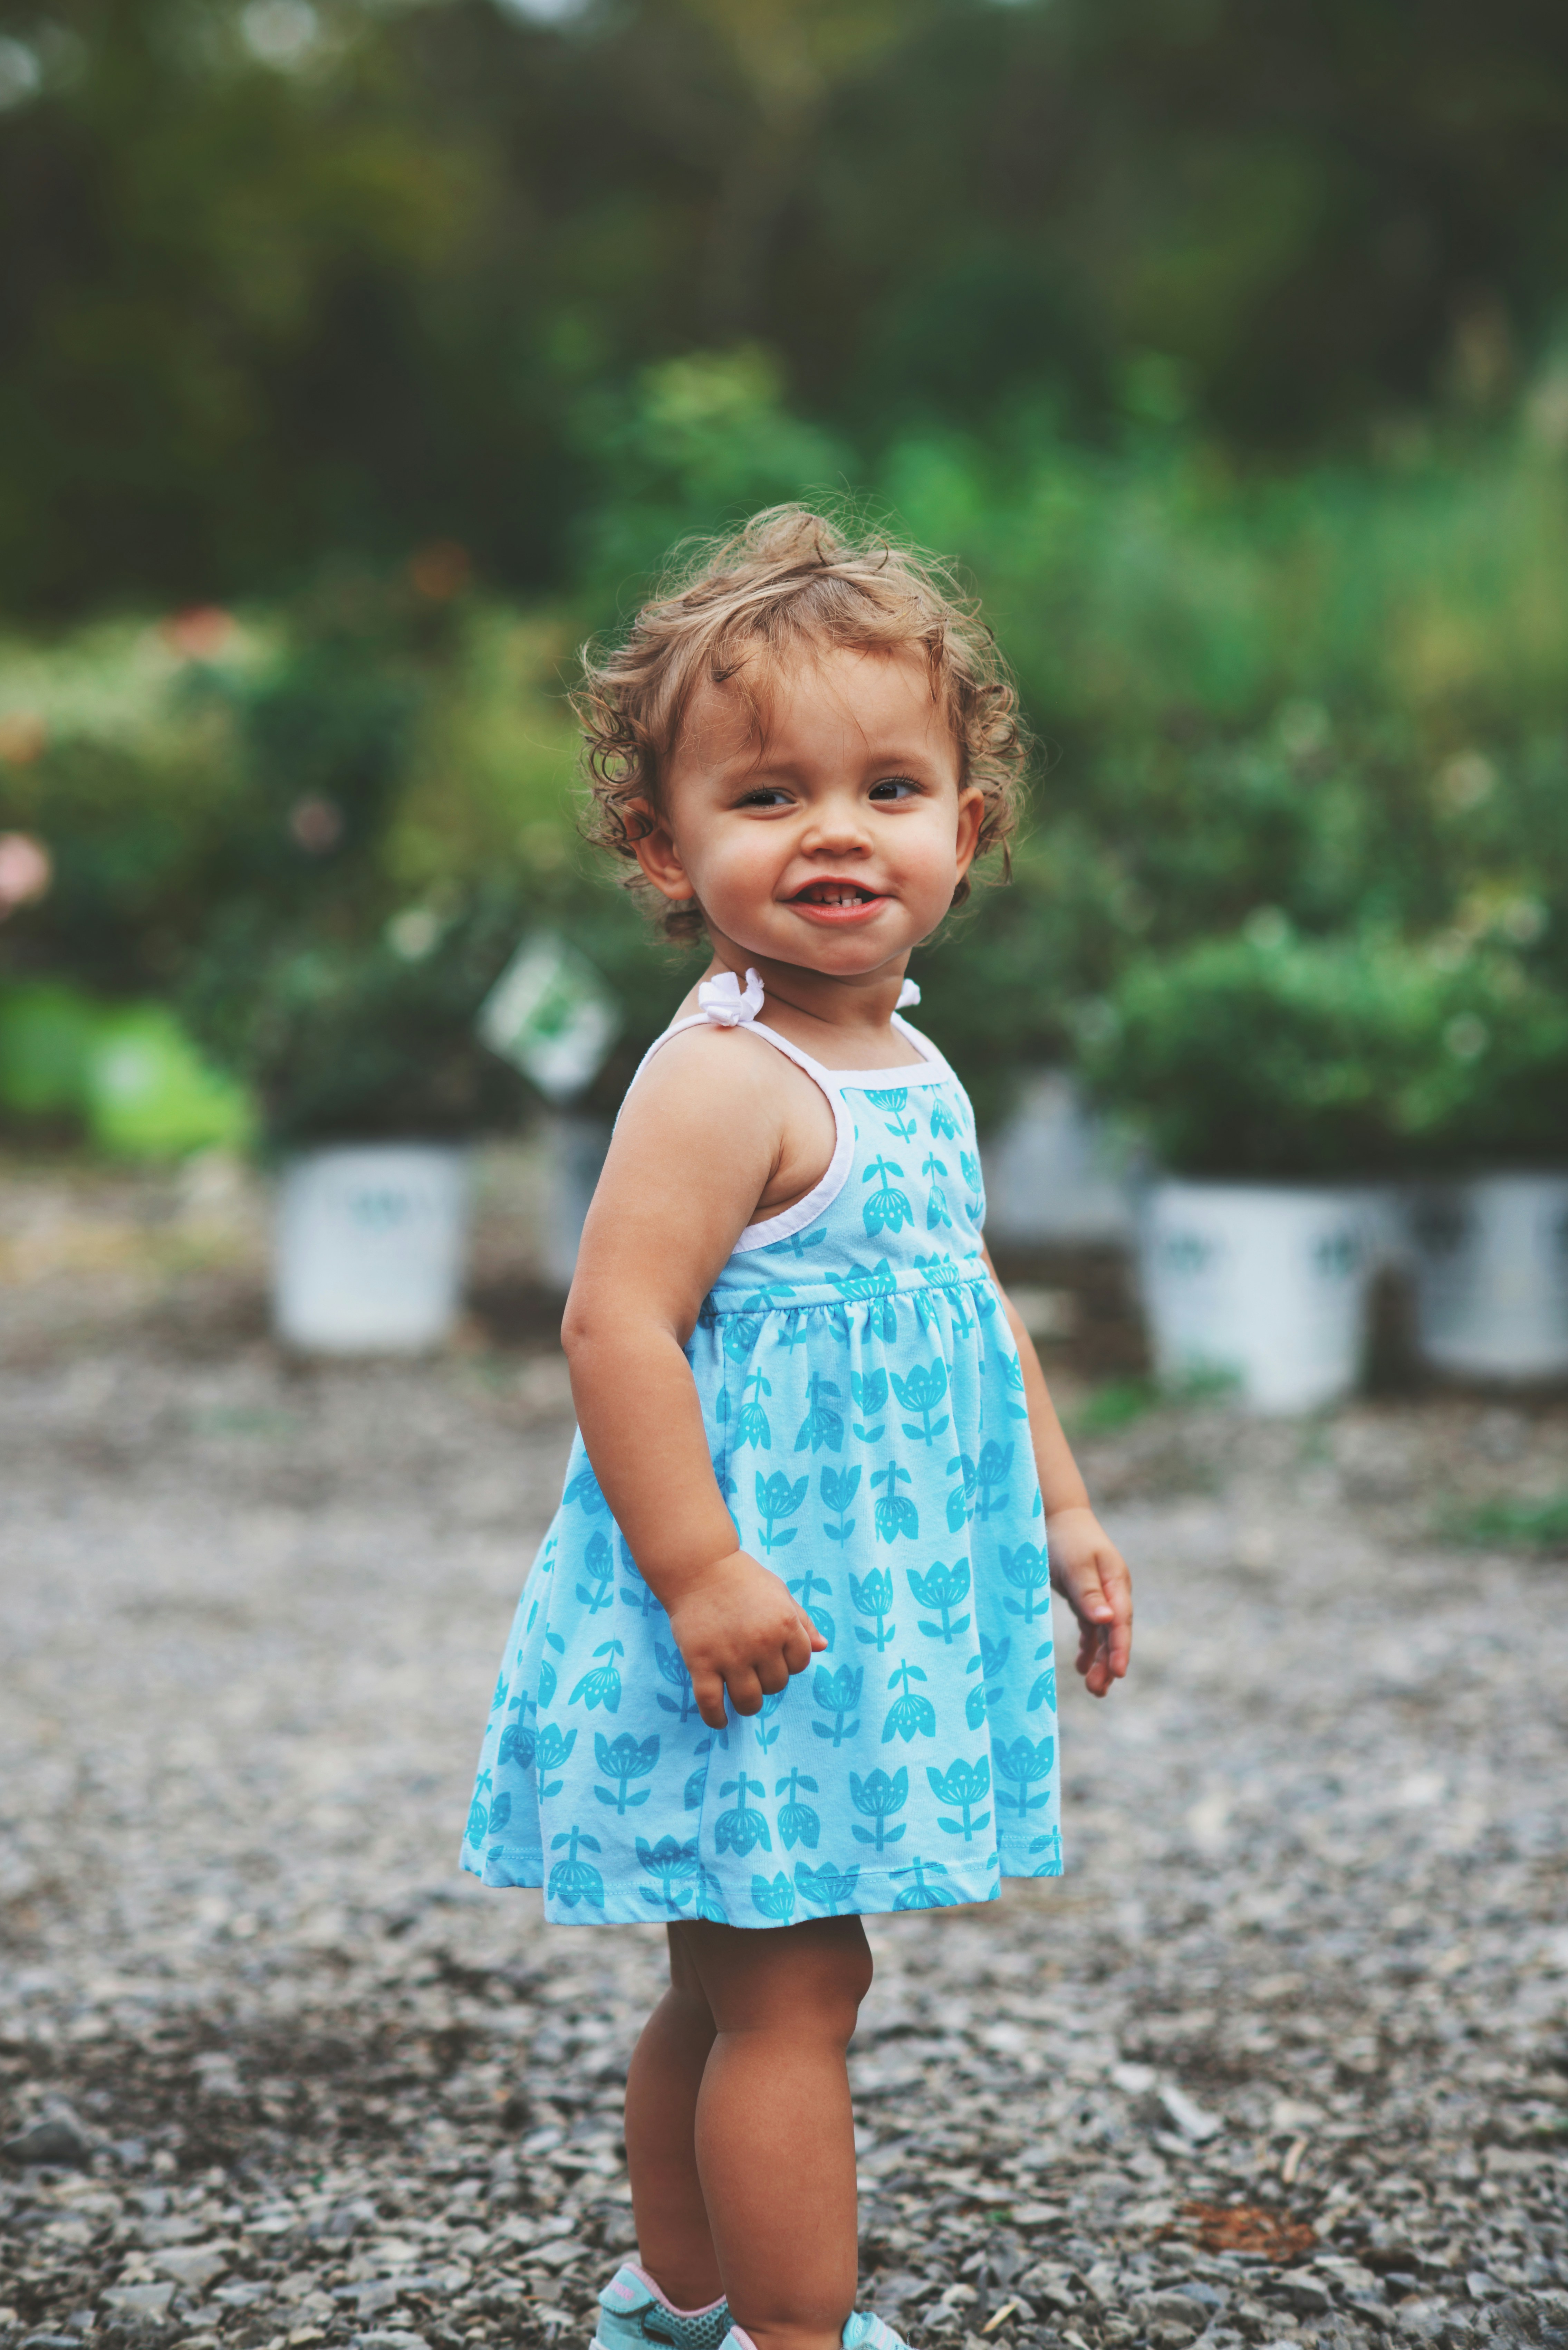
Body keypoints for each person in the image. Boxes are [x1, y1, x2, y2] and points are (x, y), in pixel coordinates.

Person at [462, 507, 1133, 2350]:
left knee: (742, 1966)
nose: (838, 829)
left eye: (890, 785)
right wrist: (699, 1570)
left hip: (853, 1612)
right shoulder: (721, 1078)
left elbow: (970, 1298)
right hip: (755, 1615)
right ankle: (786, 2336)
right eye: (767, 795)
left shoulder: (906, 1060)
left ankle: (676, 2299)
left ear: (963, 833)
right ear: (663, 847)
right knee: (795, 1985)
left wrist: (1061, 1514)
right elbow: (617, 1323)